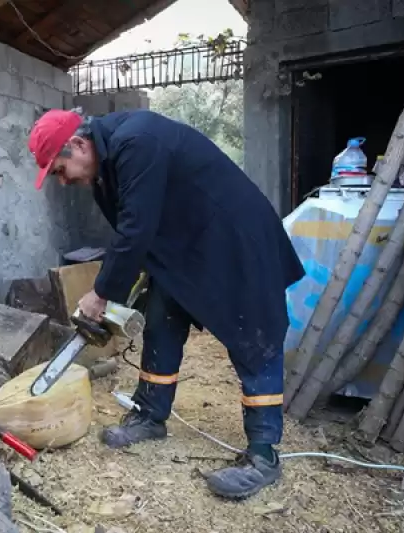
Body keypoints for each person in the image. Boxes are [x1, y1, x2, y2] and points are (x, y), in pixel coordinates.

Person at [27, 108, 305, 501]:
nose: (63, 180)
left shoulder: (136, 142)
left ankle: (263, 455)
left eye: (60, 169)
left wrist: (101, 292)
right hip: (186, 247)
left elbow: (136, 228)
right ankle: (150, 415)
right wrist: (130, 285)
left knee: (253, 336)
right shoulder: (107, 164)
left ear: (77, 144)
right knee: (161, 319)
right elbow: (137, 226)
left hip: (234, 239)